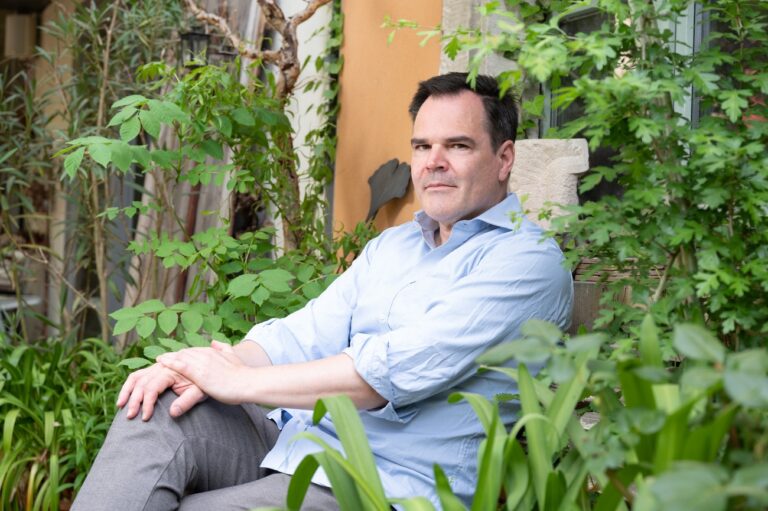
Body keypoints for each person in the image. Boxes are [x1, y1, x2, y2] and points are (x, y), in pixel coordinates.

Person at [72, 72, 573, 511]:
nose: (433, 162)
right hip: (298, 446)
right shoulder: (393, 247)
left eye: (458, 146)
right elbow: (299, 335)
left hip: (382, 485)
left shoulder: (525, 264)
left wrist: (235, 382)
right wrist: (195, 366)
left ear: (504, 157)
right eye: (422, 146)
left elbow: (383, 375)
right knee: (156, 405)